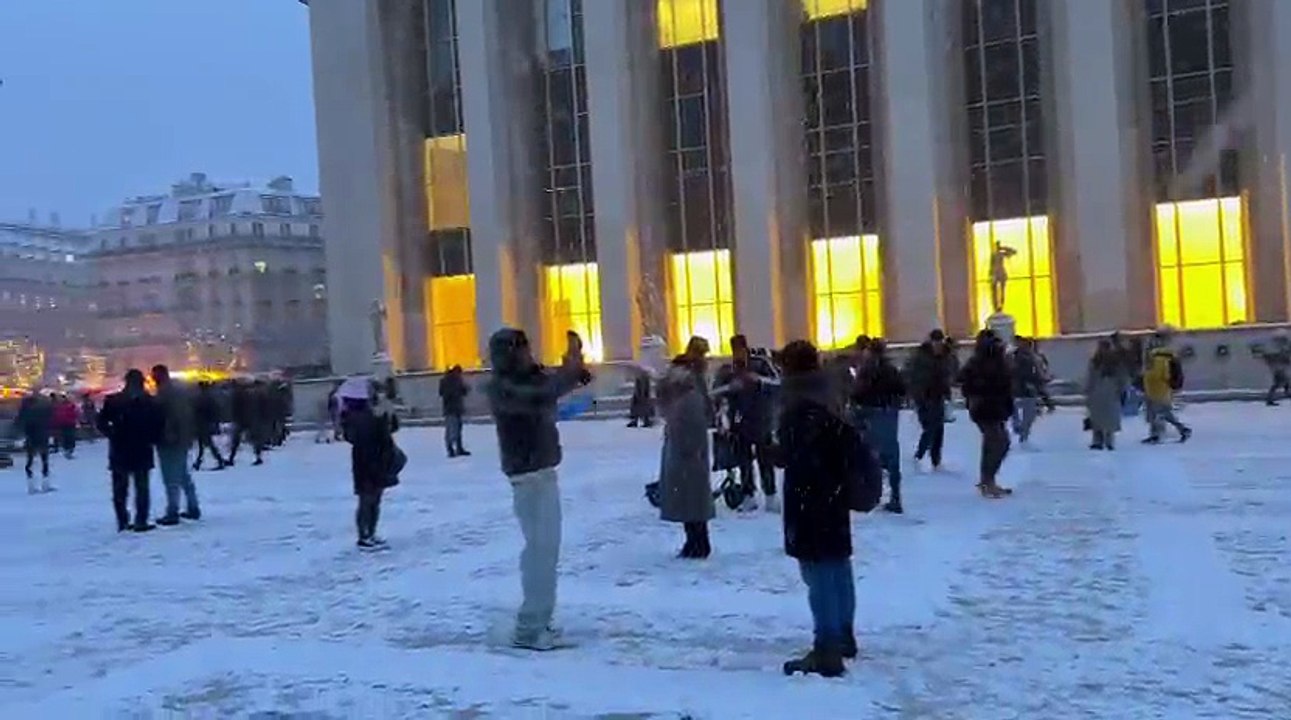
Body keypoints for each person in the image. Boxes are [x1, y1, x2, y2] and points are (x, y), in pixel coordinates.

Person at [486, 327, 589, 651]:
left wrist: (572, 371)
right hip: (528, 478)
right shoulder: (504, 387)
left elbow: (549, 387)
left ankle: (539, 620)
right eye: (524, 350)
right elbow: (541, 395)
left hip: (541, 472)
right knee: (540, 553)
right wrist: (569, 369)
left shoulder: (526, 379)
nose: (530, 355)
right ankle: (529, 628)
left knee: (546, 551)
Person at [778, 340, 871, 678]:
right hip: (834, 494)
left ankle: (827, 646)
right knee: (837, 566)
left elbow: (795, 455)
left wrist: (776, 452)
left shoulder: (798, 406)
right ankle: (843, 633)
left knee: (817, 572)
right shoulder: (830, 395)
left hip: (810, 497)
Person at [658, 337, 716, 559]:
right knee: (692, 496)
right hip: (688, 445)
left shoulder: (687, 378)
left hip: (686, 444)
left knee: (690, 496)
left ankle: (696, 541)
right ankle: (697, 542)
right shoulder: (688, 380)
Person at [712, 334, 780, 513]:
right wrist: (730, 388)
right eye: (735, 350)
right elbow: (714, 391)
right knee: (744, 460)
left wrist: (759, 380)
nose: (738, 354)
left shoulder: (761, 363)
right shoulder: (727, 370)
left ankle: (770, 494)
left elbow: (778, 382)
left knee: (765, 459)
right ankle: (749, 494)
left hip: (761, 418)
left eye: (740, 349)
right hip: (739, 419)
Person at [96, 369, 163, 532]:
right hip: (142, 448)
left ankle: (122, 520)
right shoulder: (149, 401)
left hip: (120, 448)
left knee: (120, 489)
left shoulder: (113, 400)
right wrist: (152, 438)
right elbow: (158, 425)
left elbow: (101, 422)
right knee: (141, 488)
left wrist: (112, 434)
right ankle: (141, 521)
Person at [958, 329, 1015, 498]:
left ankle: (988, 480)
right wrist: (979, 390)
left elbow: (1006, 384)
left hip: (995, 407)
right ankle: (987, 481)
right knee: (997, 442)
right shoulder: (979, 362)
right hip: (985, 408)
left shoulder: (999, 361)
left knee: (998, 443)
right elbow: (963, 381)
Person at [852, 338, 906, 513]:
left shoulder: (866, 369)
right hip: (889, 412)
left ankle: (873, 495)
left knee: (871, 454)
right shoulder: (891, 369)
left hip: (870, 412)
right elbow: (902, 388)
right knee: (892, 454)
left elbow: (857, 392)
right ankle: (895, 496)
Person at [344, 382, 401, 549]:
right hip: (367, 461)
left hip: (375, 460)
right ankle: (364, 535)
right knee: (368, 499)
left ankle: (370, 532)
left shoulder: (373, 414)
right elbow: (358, 436)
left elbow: (390, 430)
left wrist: (388, 416)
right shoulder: (358, 417)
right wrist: (381, 419)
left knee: (374, 500)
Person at [152, 365, 201, 525]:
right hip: (182, 437)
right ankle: (193, 506)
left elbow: (167, 416)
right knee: (182, 474)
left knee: (171, 477)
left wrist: (168, 433)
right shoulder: (179, 391)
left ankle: (172, 511)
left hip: (170, 439)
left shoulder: (165, 393)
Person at [904, 329, 954, 470]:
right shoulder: (921, 357)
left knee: (938, 428)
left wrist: (946, 391)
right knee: (931, 427)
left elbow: (946, 374)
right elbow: (916, 377)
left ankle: (935, 459)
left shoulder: (944, 355)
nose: (938, 345)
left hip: (937, 395)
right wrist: (915, 394)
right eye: (936, 342)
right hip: (924, 396)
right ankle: (920, 455)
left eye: (940, 342)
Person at [1141, 330, 1192, 444]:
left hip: (1158, 389)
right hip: (1154, 389)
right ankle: (1155, 434)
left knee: (1162, 413)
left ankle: (1182, 429)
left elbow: (1161, 374)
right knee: (1155, 413)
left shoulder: (1159, 357)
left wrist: (1148, 378)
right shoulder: (1159, 356)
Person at [1085, 339, 1128, 450]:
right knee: (1110, 418)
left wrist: (1088, 392)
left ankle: (1097, 441)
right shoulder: (1116, 362)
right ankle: (1109, 441)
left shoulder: (1095, 361)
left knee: (1097, 418)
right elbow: (1122, 378)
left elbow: (1090, 378)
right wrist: (1122, 390)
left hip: (1097, 391)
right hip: (1112, 391)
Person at [1009, 337, 1052, 445]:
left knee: (1020, 412)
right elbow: (1036, 375)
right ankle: (1023, 433)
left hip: (1018, 390)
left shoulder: (1014, 357)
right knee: (1028, 414)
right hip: (1025, 389)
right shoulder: (1029, 359)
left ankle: (1021, 431)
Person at [14, 392, 54, 492]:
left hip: (30, 438)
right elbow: (49, 418)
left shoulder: (23, 412)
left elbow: (18, 424)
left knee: (30, 461)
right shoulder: (41, 411)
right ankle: (45, 484)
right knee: (44, 460)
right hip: (42, 436)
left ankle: (31, 485)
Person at [192, 382, 228, 470]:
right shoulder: (209, 397)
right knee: (204, 444)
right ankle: (199, 462)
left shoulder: (202, 398)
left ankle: (219, 460)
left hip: (202, 424)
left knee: (207, 444)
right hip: (205, 424)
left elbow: (199, 411)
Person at [439, 365, 471, 457]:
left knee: (457, 429)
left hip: (455, 408)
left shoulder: (456, 380)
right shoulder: (447, 381)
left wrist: (464, 389)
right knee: (452, 430)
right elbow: (444, 393)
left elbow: (463, 392)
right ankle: (451, 449)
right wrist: (459, 390)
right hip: (451, 409)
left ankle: (457, 448)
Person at [1262, 330, 1291, 406]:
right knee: (1278, 383)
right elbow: (1279, 357)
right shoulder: (1277, 347)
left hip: (1278, 367)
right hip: (1278, 368)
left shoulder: (1278, 347)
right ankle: (1270, 399)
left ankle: (1286, 393)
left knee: (1284, 381)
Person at [51, 394, 80, 459]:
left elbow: (75, 413)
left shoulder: (63, 406)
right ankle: (68, 450)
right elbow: (75, 413)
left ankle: (68, 450)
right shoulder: (63, 406)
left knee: (68, 437)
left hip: (67, 423)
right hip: (66, 424)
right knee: (67, 437)